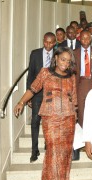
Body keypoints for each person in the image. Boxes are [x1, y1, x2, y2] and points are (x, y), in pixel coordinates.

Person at [14, 47, 77, 180]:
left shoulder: (72, 76)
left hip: (69, 119)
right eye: (63, 59)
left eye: (68, 61)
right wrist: (21, 102)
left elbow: (74, 100)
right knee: (53, 155)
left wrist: (77, 116)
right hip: (51, 119)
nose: (65, 63)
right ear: (55, 58)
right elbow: (33, 89)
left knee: (65, 156)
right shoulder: (45, 72)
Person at [26, 32, 56, 163]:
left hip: (52, 94)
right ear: (43, 41)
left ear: (54, 42)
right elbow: (30, 75)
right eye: (46, 42)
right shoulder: (35, 53)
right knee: (35, 122)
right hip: (37, 94)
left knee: (49, 122)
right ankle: (34, 150)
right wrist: (29, 96)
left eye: (51, 43)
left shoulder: (58, 55)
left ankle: (48, 145)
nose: (48, 45)